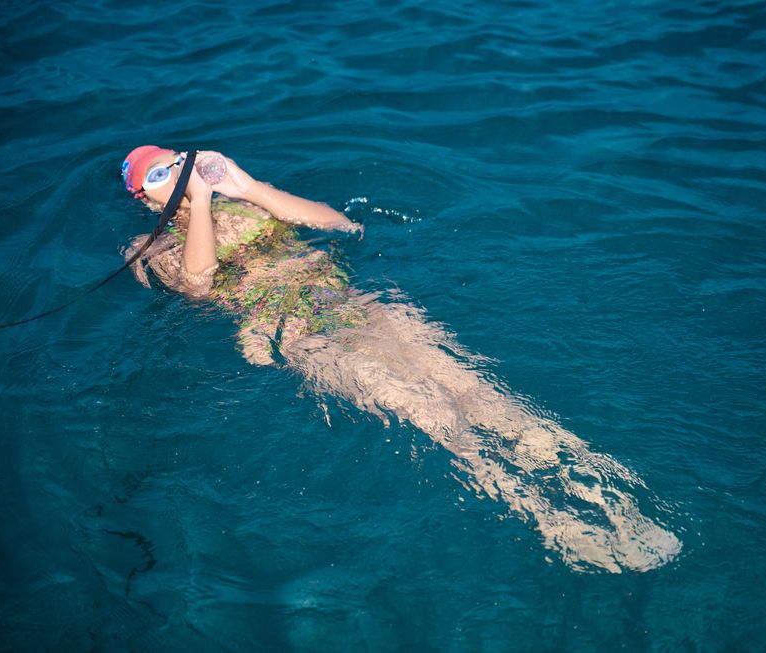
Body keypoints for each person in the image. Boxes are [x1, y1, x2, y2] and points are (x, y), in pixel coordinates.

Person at [121, 146, 682, 573]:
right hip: (296, 334)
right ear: (145, 198)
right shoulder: (148, 249)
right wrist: (196, 209)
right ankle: (548, 518)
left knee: (484, 398)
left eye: (179, 163)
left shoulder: (248, 209)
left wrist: (247, 186)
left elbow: (341, 225)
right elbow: (197, 285)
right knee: (432, 413)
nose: (181, 175)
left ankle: (605, 489)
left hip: (356, 305)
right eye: (163, 175)